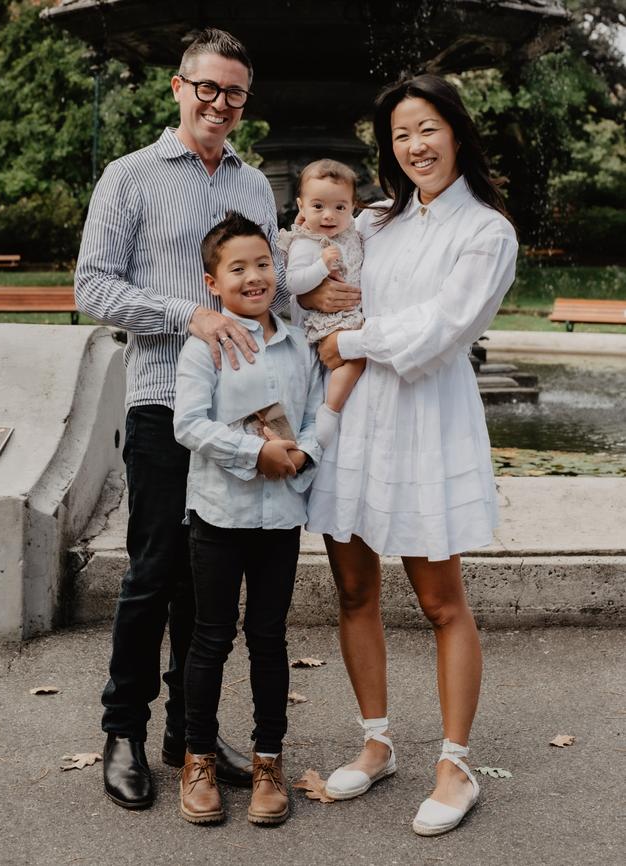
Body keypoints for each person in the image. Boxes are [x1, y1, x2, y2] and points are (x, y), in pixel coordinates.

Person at [75, 28, 286, 810]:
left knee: (208, 590)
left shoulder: (256, 186)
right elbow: (92, 287)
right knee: (154, 572)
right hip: (164, 400)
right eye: (208, 87)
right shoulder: (129, 177)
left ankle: (187, 734)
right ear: (177, 87)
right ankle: (122, 731)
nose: (220, 103)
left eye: (234, 92)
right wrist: (186, 314)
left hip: (239, 415)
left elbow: (272, 286)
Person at [307, 74, 519, 836]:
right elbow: (323, 282)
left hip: (428, 423)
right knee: (355, 592)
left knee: (440, 601)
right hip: (356, 420)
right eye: (400, 134)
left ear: (455, 131)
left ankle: (455, 765)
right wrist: (313, 305)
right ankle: (376, 744)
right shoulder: (375, 220)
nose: (415, 146)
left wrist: (350, 340)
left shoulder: (487, 231)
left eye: (426, 128)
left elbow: (440, 333)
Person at [173, 212, 323, 825]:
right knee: (210, 638)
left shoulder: (296, 347)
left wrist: (301, 454)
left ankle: (268, 761)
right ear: (214, 282)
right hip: (219, 515)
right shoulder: (201, 347)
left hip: (279, 520)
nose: (254, 276)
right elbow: (189, 424)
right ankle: (199, 757)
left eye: (263, 264)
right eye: (238, 268)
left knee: (269, 638)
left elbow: (314, 419)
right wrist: (252, 453)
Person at [278, 159, 366, 448]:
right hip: (327, 322)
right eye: (318, 207)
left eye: (339, 207)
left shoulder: (350, 235)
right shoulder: (306, 243)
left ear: (353, 207)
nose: (329, 215)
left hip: (351, 316)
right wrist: (322, 267)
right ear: (301, 207)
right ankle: (330, 412)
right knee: (355, 361)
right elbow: (293, 283)